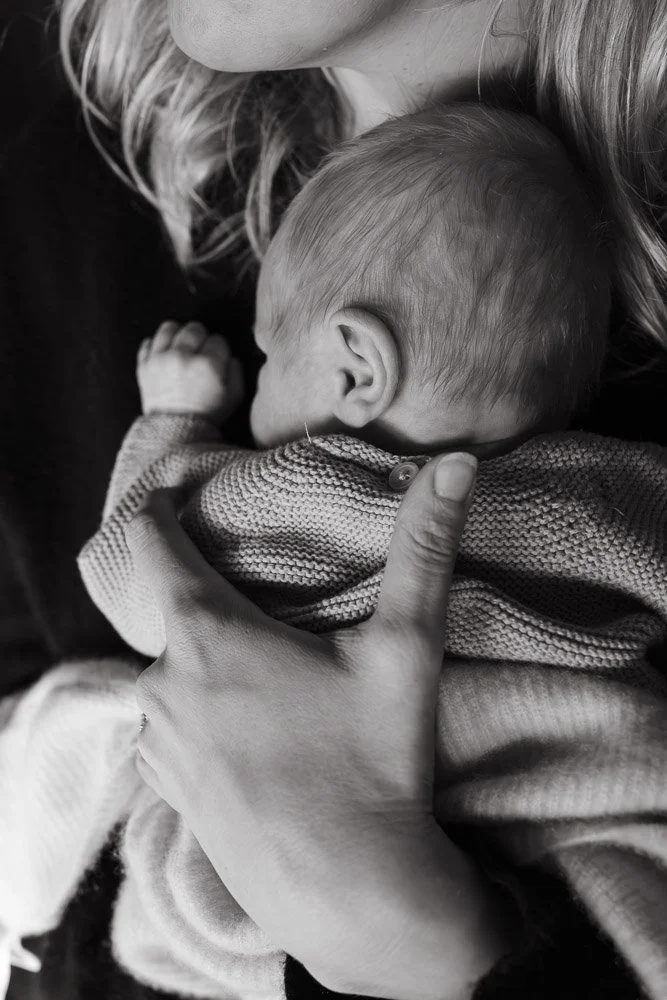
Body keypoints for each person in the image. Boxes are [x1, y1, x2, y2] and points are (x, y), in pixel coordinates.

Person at [2, 0, 666, 998]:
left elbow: (135, 563)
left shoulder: (287, 496)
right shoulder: (600, 496)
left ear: (357, 367)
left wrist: (399, 933)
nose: (256, 375)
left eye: (271, 358)